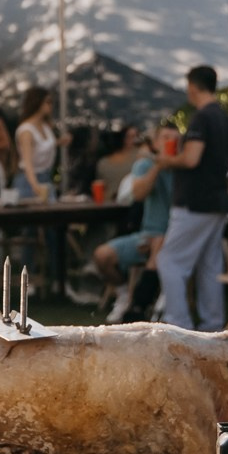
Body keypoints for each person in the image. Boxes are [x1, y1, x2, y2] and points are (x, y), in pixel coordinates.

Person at [155, 66, 228, 331]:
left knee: (169, 260)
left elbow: (191, 158)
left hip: (194, 201)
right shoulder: (227, 121)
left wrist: (168, 161)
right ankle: (212, 326)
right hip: (217, 200)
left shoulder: (201, 118)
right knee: (209, 265)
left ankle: (177, 324)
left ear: (192, 86)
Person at [94, 120, 177, 320]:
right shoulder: (145, 165)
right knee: (102, 256)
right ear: (156, 142)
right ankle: (124, 296)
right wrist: (158, 165)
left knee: (159, 245)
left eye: (176, 140)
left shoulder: (184, 167)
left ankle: (141, 307)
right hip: (146, 234)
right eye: (166, 138)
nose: (171, 142)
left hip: (173, 238)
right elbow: (138, 194)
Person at [13, 88, 59, 200]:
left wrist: (60, 142)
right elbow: (27, 161)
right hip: (30, 180)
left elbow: (42, 147)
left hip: (46, 177)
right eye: (48, 102)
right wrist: (35, 185)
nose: (50, 106)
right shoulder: (26, 131)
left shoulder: (45, 126)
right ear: (38, 102)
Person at [94, 126, 143, 201]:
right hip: (109, 203)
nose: (134, 140)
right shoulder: (104, 162)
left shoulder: (140, 157)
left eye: (136, 136)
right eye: (129, 137)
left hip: (131, 202)